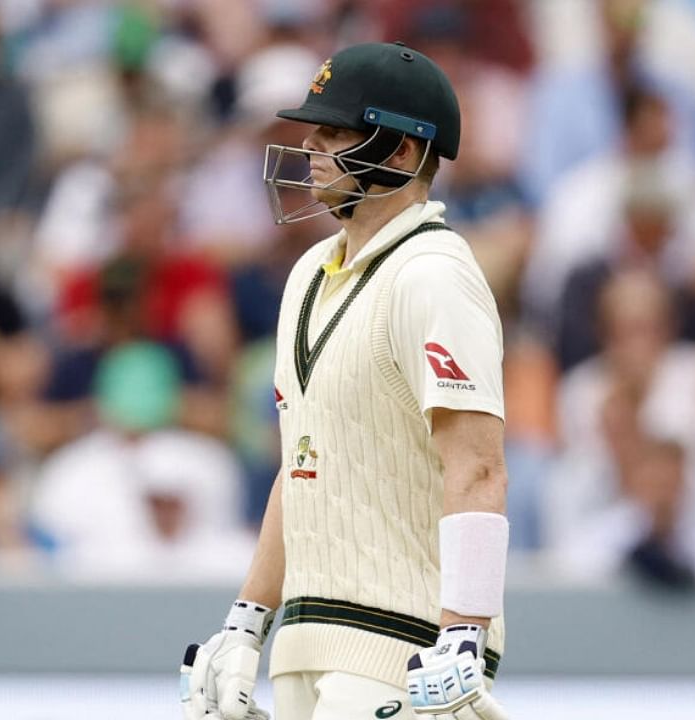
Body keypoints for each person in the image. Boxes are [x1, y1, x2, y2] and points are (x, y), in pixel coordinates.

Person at [182, 44, 511, 720]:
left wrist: (463, 633)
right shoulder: (308, 276)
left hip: (404, 645)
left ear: (400, 152)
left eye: (333, 132)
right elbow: (301, 460)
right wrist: (247, 619)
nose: (310, 146)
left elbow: (478, 466)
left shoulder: (434, 275)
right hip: (307, 643)